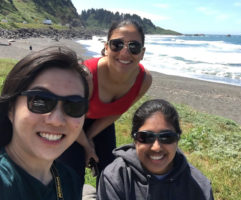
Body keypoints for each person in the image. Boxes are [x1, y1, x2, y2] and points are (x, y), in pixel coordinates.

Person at [58, 19, 152, 186]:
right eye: (117, 44)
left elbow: (117, 111)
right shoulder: (87, 76)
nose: (125, 52)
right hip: (70, 120)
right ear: (106, 47)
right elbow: (68, 116)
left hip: (102, 121)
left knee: (110, 173)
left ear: (142, 53)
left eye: (133, 46)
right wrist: (87, 146)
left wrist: (90, 137)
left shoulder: (144, 80)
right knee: (71, 175)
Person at [0, 46, 89, 200]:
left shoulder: (70, 180)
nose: (56, 121)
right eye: (40, 101)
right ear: (11, 108)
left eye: (74, 105)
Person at [98, 99, 214, 200]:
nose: (156, 147)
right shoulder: (115, 177)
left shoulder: (200, 186)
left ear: (177, 138)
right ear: (135, 139)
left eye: (166, 137)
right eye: (146, 137)